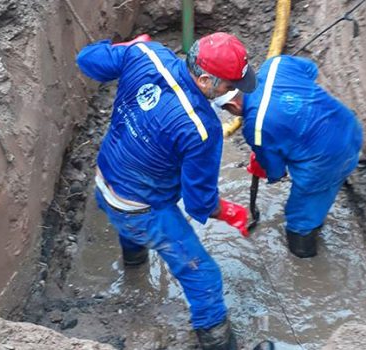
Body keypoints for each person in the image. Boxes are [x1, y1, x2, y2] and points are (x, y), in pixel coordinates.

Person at [76, 32, 257, 350]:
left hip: (105, 181)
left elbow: (86, 60)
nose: (236, 96)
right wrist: (230, 212)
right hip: (142, 210)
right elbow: (199, 203)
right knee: (205, 277)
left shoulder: (147, 54)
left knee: (130, 229)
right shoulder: (203, 130)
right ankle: (219, 344)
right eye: (230, 87)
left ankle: (134, 268)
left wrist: (128, 47)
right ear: (204, 80)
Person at [213, 55, 363, 259]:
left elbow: (275, 172)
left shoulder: (256, 128)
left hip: (324, 161)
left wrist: (264, 163)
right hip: (350, 129)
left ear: (233, 106)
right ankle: (318, 213)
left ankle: (305, 255)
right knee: (325, 188)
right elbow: (310, 70)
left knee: (300, 215)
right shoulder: (277, 65)